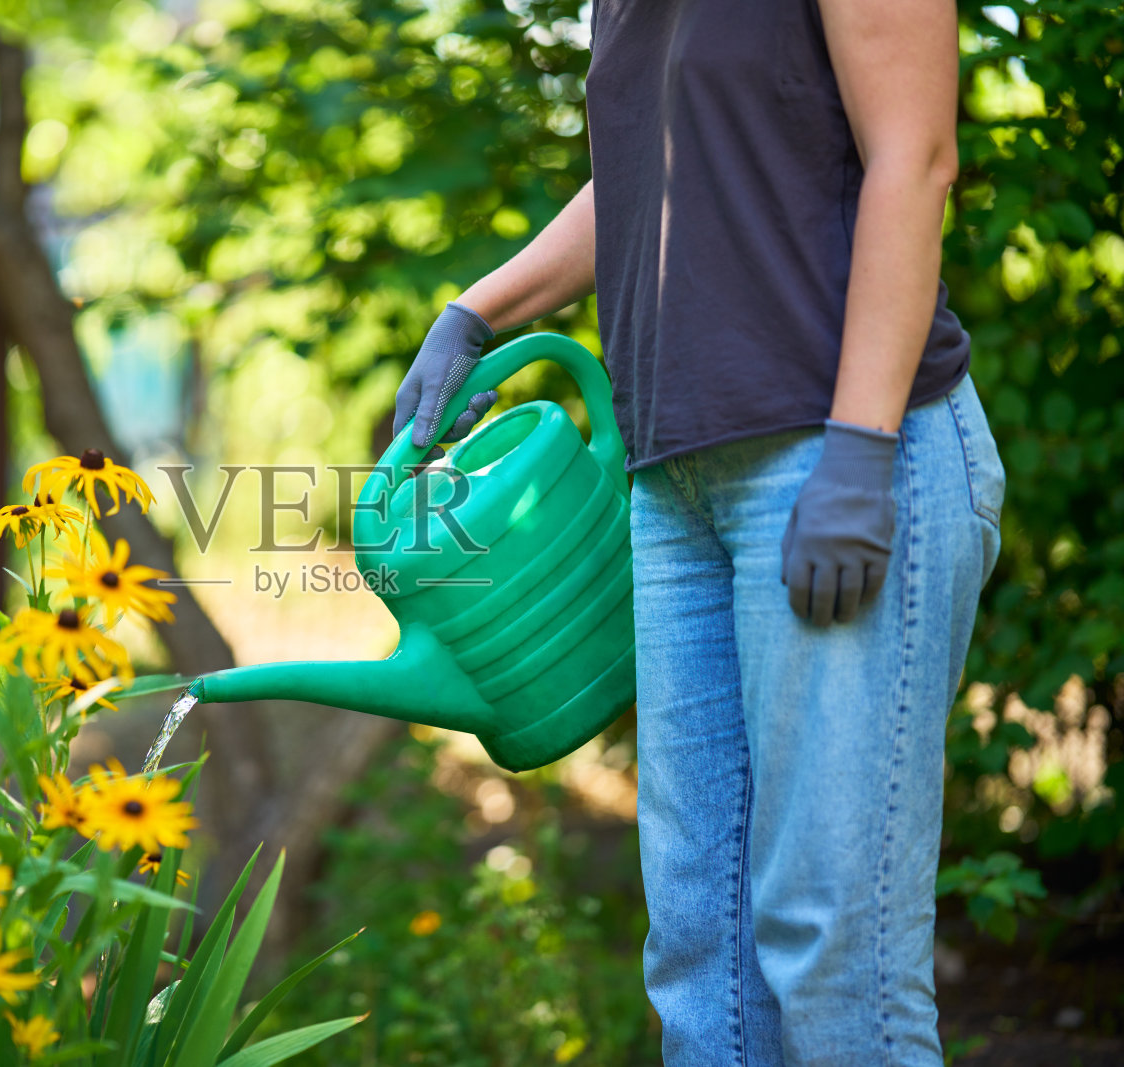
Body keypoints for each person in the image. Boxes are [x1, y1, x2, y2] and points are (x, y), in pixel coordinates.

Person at [393, 1, 1005, 1063]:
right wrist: (478, 310)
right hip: (677, 478)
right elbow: (658, 171)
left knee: (836, 958)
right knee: (701, 958)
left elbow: (915, 157)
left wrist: (861, 447)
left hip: (833, 454)